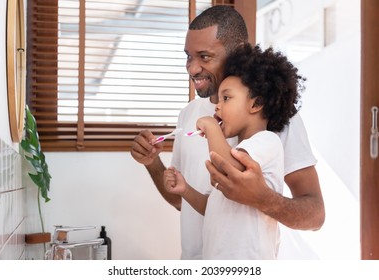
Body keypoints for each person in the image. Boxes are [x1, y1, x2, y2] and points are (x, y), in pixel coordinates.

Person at [130, 5, 325, 260]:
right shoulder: (188, 115)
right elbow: (183, 201)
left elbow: (315, 216)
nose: (192, 68)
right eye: (188, 56)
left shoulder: (274, 116)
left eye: (205, 56)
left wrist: (264, 199)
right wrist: (152, 163)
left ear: (238, 51)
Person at [163, 43, 303, 259]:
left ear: (256, 104)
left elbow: (229, 168)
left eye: (226, 98)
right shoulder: (234, 149)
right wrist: (185, 190)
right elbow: (212, 207)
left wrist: (210, 126)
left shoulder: (267, 142)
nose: (217, 106)